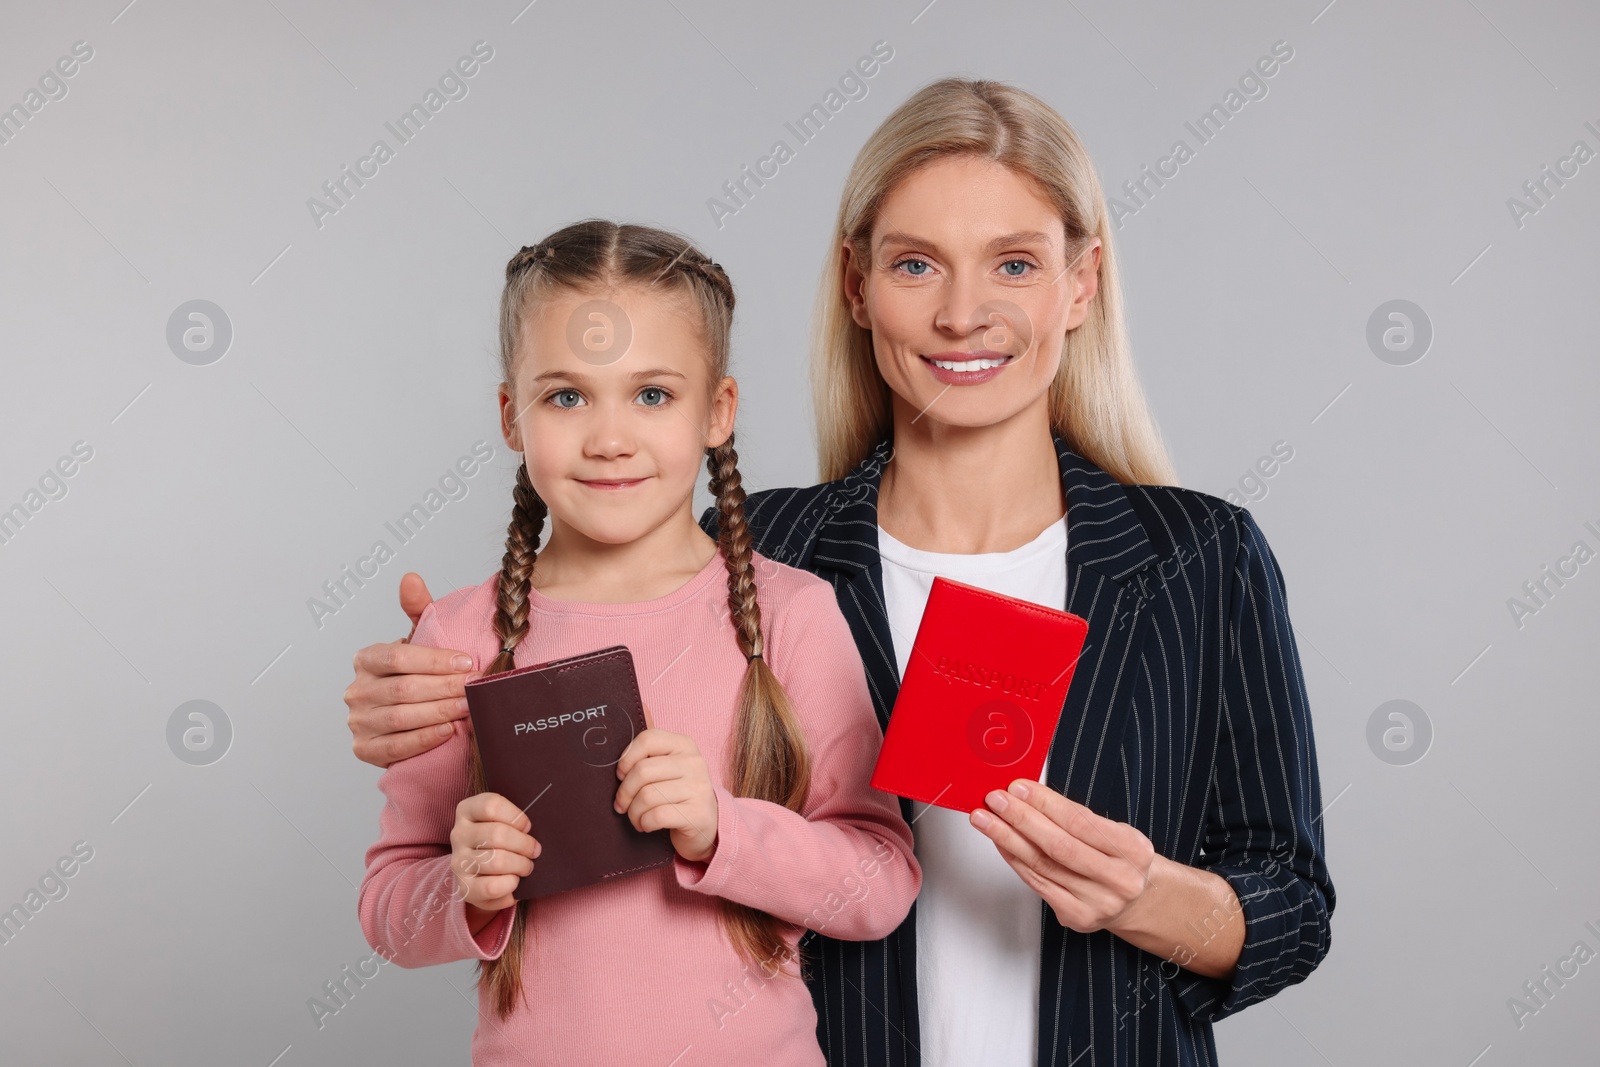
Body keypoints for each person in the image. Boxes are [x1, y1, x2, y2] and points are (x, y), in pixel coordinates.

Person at [346, 78, 1335, 1066]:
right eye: (915, 264)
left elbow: (1290, 905)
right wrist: (424, 691)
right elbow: (589, 616)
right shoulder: (765, 561)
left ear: (1081, 283)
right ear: (856, 283)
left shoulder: (1200, 559)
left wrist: (1150, 896)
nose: (961, 313)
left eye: (1014, 263)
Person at [356, 219, 920, 1066]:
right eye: (567, 396)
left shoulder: (792, 614)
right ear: (512, 415)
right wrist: (462, 885)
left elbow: (879, 882)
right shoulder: (460, 635)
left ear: (716, 412)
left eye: (652, 394)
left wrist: (721, 830)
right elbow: (388, 909)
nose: (609, 436)